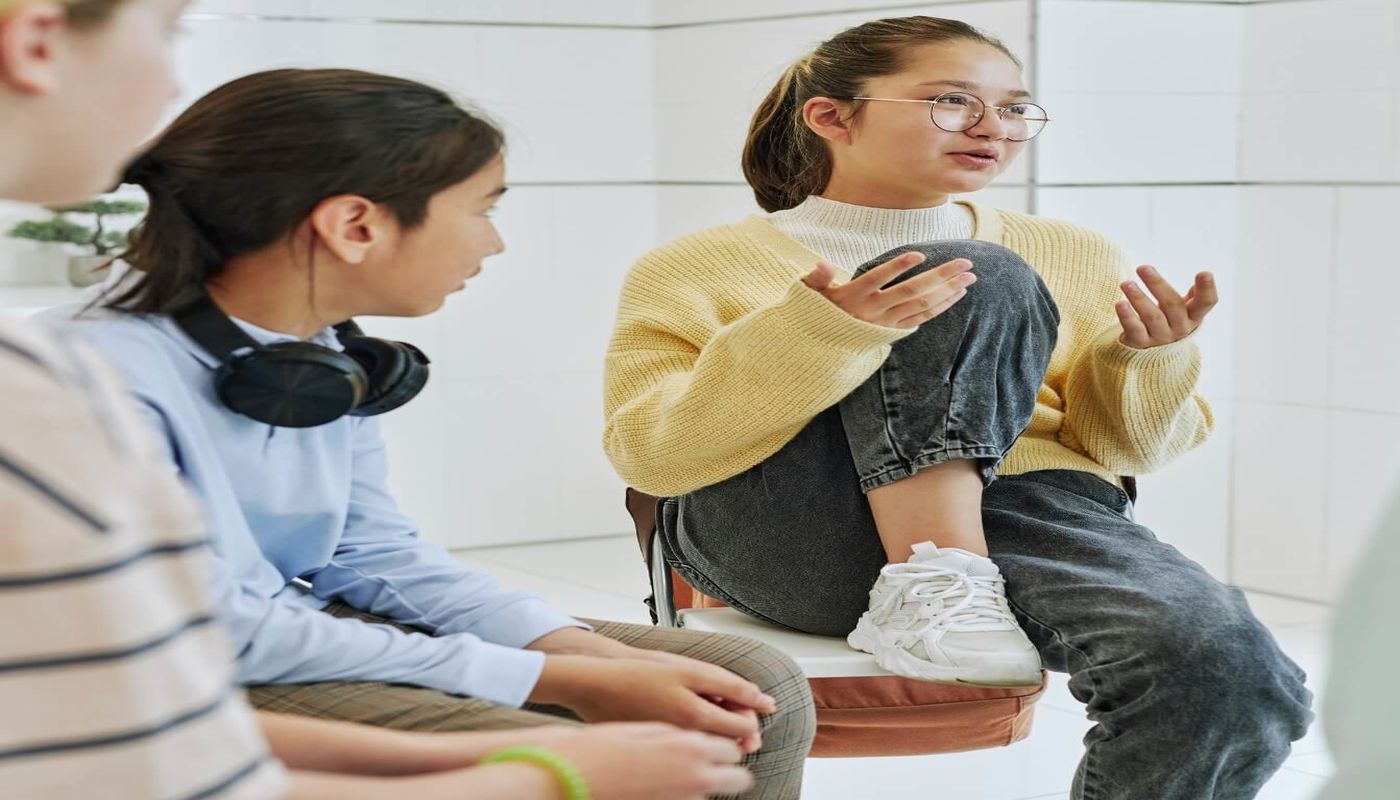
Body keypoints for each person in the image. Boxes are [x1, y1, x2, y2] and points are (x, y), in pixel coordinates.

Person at [0, 1, 759, 798]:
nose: (494, 242)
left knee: (747, 678)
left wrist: (583, 652)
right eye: (484, 209)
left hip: (279, 624)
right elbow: (218, 627)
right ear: (356, 226)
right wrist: (548, 682)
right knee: (592, 740)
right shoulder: (92, 376)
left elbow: (371, 553)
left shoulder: (322, 361)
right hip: (225, 649)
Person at [603, 14, 1313, 798]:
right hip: (798, 529)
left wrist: (1146, 359)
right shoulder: (694, 267)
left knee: (1232, 672)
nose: (992, 128)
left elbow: (1130, 450)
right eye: (952, 101)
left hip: (1026, 512)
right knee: (980, 273)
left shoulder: (1074, 252)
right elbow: (651, 455)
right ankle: (939, 575)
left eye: (1013, 108)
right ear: (832, 116)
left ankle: (950, 580)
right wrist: (819, 335)